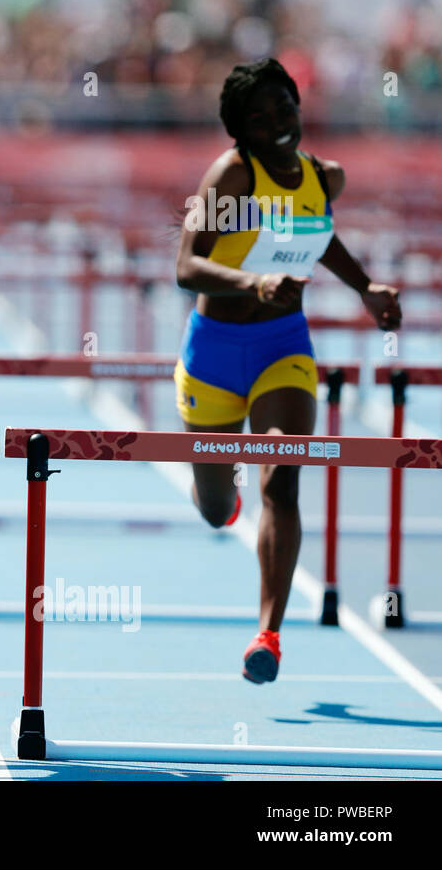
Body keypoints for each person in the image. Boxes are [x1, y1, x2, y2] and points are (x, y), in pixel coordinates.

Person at [174, 58, 401, 684]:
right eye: (260, 117)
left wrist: (366, 287)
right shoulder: (232, 177)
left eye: (285, 109)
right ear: (239, 131)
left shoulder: (322, 178)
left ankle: (268, 634)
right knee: (216, 506)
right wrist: (254, 279)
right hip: (215, 353)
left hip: (283, 346)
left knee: (284, 476)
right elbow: (187, 265)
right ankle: (218, 495)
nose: (278, 124)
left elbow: (318, 235)